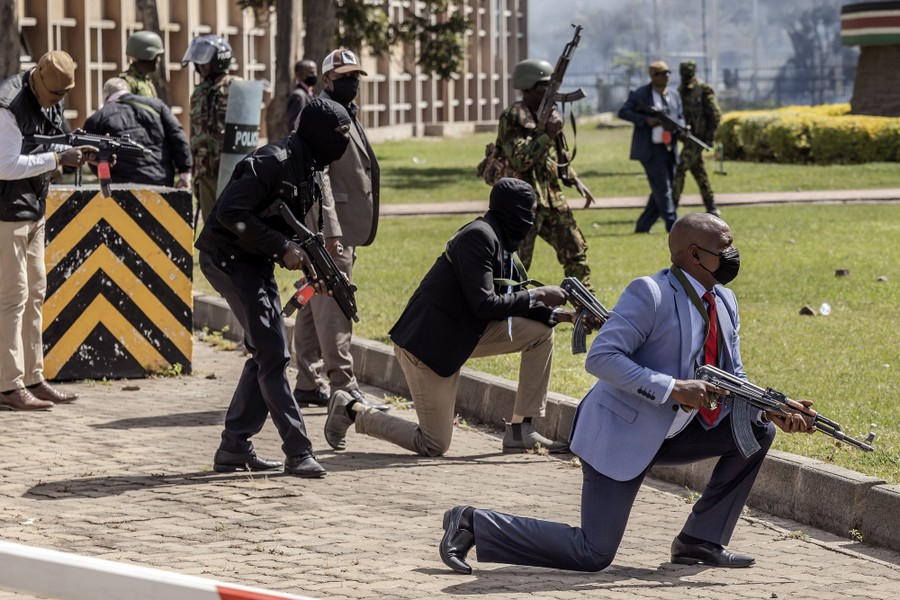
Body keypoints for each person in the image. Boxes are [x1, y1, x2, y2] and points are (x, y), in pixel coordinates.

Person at [438, 212, 816, 574]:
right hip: (620, 433)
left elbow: (732, 375)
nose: (733, 255)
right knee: (592, 552)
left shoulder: (725, 301)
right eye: (725, 247)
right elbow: (601, 358)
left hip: (677, 433)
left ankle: (701, 541)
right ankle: (472, 523)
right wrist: (673, 387)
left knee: (756, 432)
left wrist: (770, 409)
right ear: (695, 254)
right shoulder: (650, 293)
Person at [323, 178, 596, 456]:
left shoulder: (500, 241)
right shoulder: (478, 237)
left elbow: (508, 300)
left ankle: (520, 430)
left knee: (540, 333)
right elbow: (486, 304)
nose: (533, 221)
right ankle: (351, 410)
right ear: (514, 213)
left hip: (463, 334)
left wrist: (565, 316)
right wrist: (537, 295)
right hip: (428, 347)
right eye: (530, 212)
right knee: (433, 443)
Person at [195, 98, 353, 478]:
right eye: (339, 135)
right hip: (226, 257)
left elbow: (291, 227)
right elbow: (231, 213)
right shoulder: (271, 162)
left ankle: (234, 446)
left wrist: (318, 271)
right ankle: (298, 450)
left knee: (267, 351)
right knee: (272, 351)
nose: (343, 143)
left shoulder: (311, 166)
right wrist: (283, 248)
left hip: (254, 259)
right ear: (318, 134)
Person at [291, 48, 387, 412]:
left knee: (314, 301)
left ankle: (306, 382)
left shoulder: (345, 112)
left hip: (340, 227)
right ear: (326, 78)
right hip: (331, 230)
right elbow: (318, 176)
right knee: (336, 304)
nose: (352, 83)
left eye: (356, 77)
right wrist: (329, 233)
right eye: (344, 76)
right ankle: (343, 386)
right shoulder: (320, 114)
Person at [0, 51, 97, 410]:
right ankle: (8, 386)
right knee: (12, 297)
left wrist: (84, 153)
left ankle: (33, 377)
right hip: (6, 214)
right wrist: (57, 159)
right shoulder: (8, 104)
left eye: (62, 96)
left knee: (36, 292)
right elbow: (6, 164)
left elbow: (57, 141)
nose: (56, 102)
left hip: (33, 210)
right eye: (53, 95)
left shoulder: (49, 99)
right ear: (38, 80)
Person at [495, 59, 594, 289]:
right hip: (523, 205)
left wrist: (574, 178)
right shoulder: (512, 117)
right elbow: (520, 159)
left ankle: (585, 308)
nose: (552, 93)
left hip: (552, 199)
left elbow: (559, 157)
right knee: (516, 264)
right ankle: (508, 313)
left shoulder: (551, 114)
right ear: (526, 87)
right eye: (544, 88)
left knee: (576, 252)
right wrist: (547, 133)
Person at [82, 77, 192, 188]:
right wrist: (184, 174)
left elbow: (89, 153)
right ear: (128, 90)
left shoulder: (98, 118)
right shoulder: (157, 106)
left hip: (120, 185)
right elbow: (178, 137)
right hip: (160, 180)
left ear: (106, 97)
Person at [618, 61, 684, 234]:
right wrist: (646, 120)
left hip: (670, 147)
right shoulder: (641, 94)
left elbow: (680, 116)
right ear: (652, 76)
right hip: (650, 149)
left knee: (662, 188)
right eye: (661, 73)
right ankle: (674, 227)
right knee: (663, 188)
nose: (666, 76)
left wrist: (683, 128)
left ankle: (643, 226)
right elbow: (623, 112)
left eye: (668, 73)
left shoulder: (675, 94)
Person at [183, 34, 241, 223]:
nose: (201, 66)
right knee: (210, 224)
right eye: (199, 62)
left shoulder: (236, 87)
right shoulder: (198, 93)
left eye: (206, 61)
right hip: (205, 170)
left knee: (233, 222)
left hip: (232, 170)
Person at [673, 60, 722, 216]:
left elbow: (715, 114)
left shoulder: (703, 89)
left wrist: (710, 137)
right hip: (687, 138)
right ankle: (711, 205)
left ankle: (671, 206)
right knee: (698, 171)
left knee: (679, 169)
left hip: (699, 138)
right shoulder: (679, 91)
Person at [121, 31, 165, 98]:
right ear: (145, 55)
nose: (158, 60)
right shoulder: (125, 83)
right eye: (156, 56)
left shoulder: (147, 82)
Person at [286, 59, 317, 131]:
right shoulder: (298, 96)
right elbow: (294, 126)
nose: (314, 75)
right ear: (299, 75)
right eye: (311, 73)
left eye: (315, 72)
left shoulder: (311, 93)